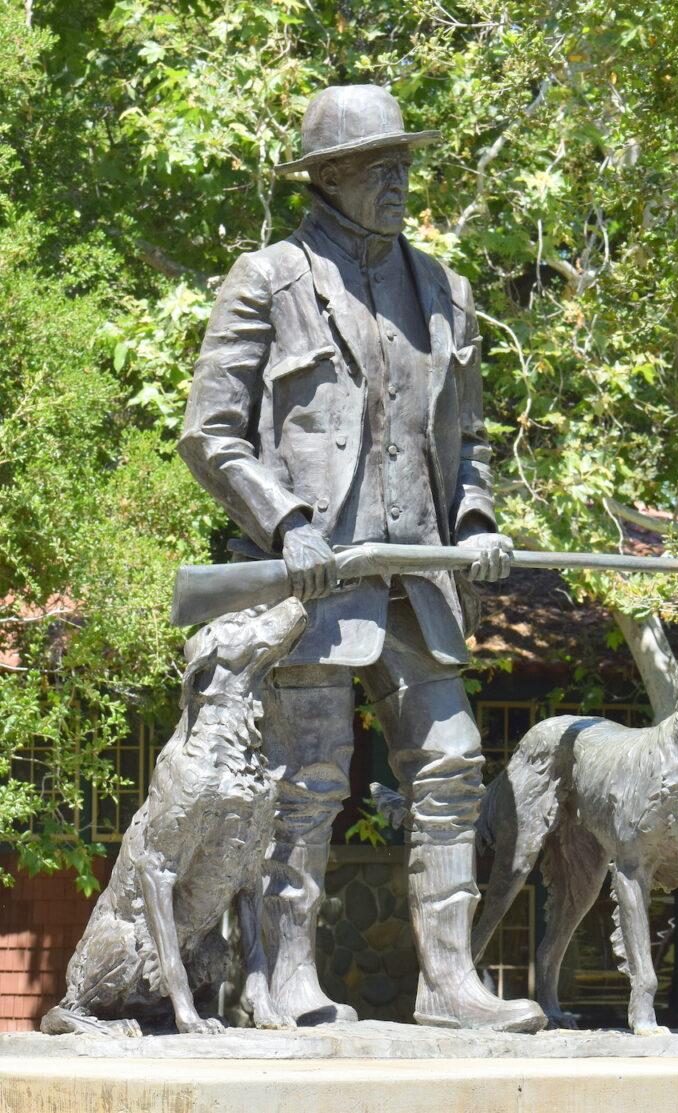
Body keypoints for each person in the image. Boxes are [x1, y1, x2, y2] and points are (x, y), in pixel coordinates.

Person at [178, 84, 544, 1032]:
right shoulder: (268, 279)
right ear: (331, 177)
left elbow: (470, 444)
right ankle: (284, 977)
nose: (401, 180)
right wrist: (285, 520)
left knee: (452, 763)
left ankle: (452, 983)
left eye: (405, 164)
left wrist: (474, 519)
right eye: (382, 165)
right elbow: (211, 434)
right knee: (309, 776)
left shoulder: (446, 290)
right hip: (317, 581)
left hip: (419, 579)